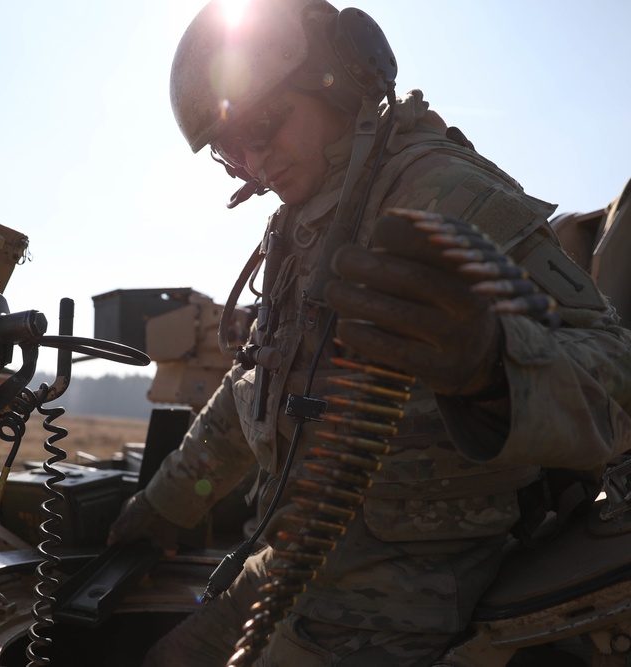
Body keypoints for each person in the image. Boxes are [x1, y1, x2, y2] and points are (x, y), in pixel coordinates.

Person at [106, 0, 631, 665]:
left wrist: (494, 370)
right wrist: (165, 505)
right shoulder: (297, 225)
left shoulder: (442, 194)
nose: (252, 161)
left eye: (263, 126)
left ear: (343, 78)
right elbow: (255, 385)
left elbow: (617, 370)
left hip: (394, 597)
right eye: (228, 150)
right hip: (288, 562)